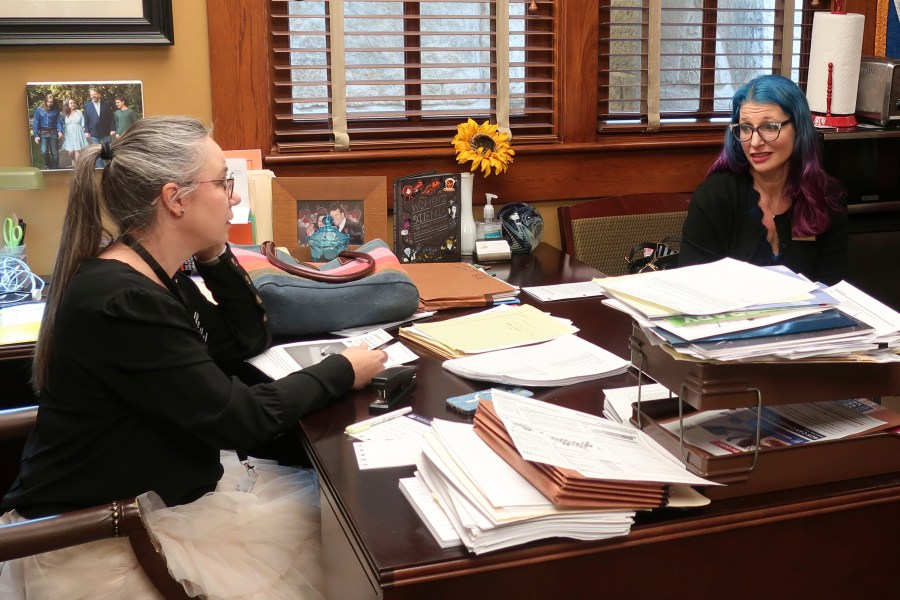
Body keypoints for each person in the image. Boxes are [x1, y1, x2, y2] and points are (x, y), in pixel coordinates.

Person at [0, 116, 387, 599]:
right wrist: (343, 369)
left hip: (161, 495)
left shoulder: (153, 272)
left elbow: (245, 337)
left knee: (343, 536)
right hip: (104, 538)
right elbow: (241, 419)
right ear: (174, 198)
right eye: (224, 183)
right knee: (349, 555)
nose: (235, 197)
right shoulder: (123, 299)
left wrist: (213, 252)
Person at [678, 74, 848, 285]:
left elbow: (832, 290)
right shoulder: (715, 197)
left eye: (770, 127)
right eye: (746, 128)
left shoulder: (826, 197)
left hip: (806, 317)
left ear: (799, 128)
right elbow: (691, 288)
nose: (755, 142)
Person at [82, 87, 116, 167]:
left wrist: (112, 129)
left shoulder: (106, 104)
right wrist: (86, 131)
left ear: (99, 95)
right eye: (92, 95)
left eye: (95, 94)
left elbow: (111, 118)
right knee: (97, 152)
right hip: (94, 132)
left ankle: (109, 168)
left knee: (107, 152)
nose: (93, 96)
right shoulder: (87, 106)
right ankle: (100, 169)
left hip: (106, 131)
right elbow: (86, 119)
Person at [31, 93, 63, 170]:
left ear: (53, 102)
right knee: (44, 151)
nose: (50, 103)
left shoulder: (56, 110)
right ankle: (49, 165)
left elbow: (59, 121)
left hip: (53, 133)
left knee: (55, 153)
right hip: (42, 134)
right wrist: (36, 135)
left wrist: (60, 131)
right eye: (48, 101)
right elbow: (36, 122)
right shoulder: (39, 110)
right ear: (45, 101)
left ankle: (55, 168)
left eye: (51, 102)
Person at [60, 98, 89, 165]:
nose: (73, 104)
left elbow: (83, 121)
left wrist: (84, 129)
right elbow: (62, 124)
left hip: (78, 132)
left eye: (73, 103)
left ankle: (78, 166)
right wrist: (62, 132)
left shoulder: (79, 112)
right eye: (71, 103)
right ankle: (73, 159)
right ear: (67, 105)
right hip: (69, 133)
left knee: (77, 150)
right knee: (71, 152)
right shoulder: (64, 113)